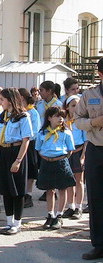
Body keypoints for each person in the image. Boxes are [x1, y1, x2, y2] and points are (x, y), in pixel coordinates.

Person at [0, 88, 33, 235]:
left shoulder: (23, 117)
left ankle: (17, 223)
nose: (0, 102)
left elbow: (26, 140)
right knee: (6, 189)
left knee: (16, 190)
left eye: (2, 99)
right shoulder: (2, 117)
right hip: (3, 152)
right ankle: (9, 221)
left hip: (16, 152)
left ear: (10, 100)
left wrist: (18, 160)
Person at [74, 57, 103, 260]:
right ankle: (99, 244)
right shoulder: (90, 94)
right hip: (97, 150)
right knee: (96, 198)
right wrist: (94, 121)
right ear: (101, 75)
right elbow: (77, 121)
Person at [35, 106, 76, 230]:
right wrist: (47, 157)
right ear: (49, 118)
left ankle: (59, 215)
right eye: (57, 116)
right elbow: (38, 148)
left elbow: (70, 150)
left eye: (62, 116)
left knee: (62, 189)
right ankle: (50, 215)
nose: (61, 119)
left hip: (61, 162)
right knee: (49, 190)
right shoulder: (42, 133)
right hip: (46, 162)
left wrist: (60, 158)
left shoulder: (66, 132)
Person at [62, 95, 87, 220]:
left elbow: (86, 140)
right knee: (68, 181)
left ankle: (79, 207)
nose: (75, 108)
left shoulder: (80, 120)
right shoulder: (63, 121)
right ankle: (70, 206)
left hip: (78, 151)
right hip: (66, 153)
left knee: (79, 180)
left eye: (77, 105)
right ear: (67, 108)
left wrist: (83, 156)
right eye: (72, 106)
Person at [18, 88, 41, 208]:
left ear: (22, 98)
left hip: (30, 144)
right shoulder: (19, 111)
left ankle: (28, 195)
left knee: (30, 170)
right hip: (19, 143)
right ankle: (21, 193)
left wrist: (25, 137)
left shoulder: (33, 112)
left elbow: (36, 131)